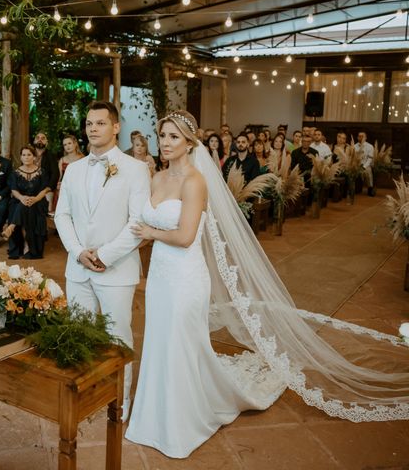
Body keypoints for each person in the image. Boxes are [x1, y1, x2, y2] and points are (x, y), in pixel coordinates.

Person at [124, 110, 409, 458]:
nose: (165, 143)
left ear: (189, 143)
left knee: (180, 342)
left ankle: (182, 421)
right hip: (159, 278)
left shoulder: (195, 181)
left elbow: (185, 237)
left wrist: (151, 233)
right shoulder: (156, 178)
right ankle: (154, 414)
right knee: (158, 340)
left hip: (184, 277)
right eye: (162, 136)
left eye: (172, 137)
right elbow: (142, 224)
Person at [55, 100, 150, 420]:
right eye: (88, 124)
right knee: (80, 335)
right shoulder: (74, 169)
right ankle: (85, 398)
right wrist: (78, 251)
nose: (92, 129)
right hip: (78, 268)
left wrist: (105, 256)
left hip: (117, 269)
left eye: (99, 123)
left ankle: (118, 405)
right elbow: (62, 215)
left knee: (117, 337)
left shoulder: (136, 169)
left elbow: (137, 224)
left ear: (115, 127)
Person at [3, 145, 51, 259]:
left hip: (38, 201)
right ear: (20, 157)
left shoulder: (41, 172)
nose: (26, 157)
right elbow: (14, 190)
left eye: (29, 154)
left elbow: (44, 190)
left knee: (27, 207)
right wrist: (22, 198)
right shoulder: (15, 173)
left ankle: (12, 227)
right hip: (19, 200)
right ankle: (26, 245)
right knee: (22, 205)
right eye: (23, 155)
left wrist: (34, 199)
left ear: (34, 157)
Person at [52, 134, 84, 213]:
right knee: (59, 190)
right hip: (65, 185)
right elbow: (59, 176)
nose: (67, 146)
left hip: (78, 186)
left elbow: (84, 177)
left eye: (69, 143)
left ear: (75, 143)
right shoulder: (62, 160)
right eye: (65, 145)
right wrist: (58, 184)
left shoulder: (83, 158)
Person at [32, 131, 59, 215]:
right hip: (29, 186)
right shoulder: (28, 154)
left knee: (47, 203)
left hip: (45, 188)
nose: (40, 140)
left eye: (43, 138)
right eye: (37, 138)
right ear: (34, 141)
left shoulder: (51, 156)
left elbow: (55, 174)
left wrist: (48, 188)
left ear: (46, 143)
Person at [355, 131, 375, 195]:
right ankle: (355, 188)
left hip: (366, 165)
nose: (360, 138)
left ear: (366, 138)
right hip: (356, 165)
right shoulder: (354, 146)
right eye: (359, 136)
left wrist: (364, 167)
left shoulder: (370, 146)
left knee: (368, 171)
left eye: (362, 136)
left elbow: (370, 159)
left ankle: (370, 188)